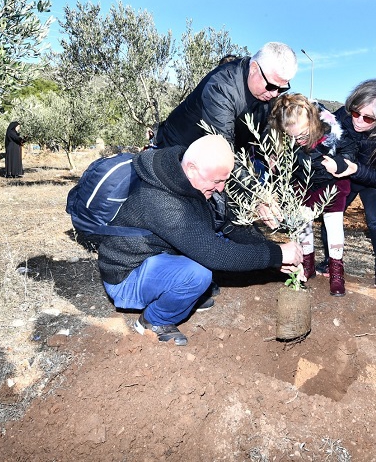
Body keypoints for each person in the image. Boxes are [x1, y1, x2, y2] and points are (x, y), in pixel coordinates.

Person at [98, 134, 303, 346]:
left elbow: (232, 226)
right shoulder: (159, 200)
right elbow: (215, 254)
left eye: (224, 180)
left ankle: (183, 296)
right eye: (217, 181)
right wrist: (276, 254)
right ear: (192, 169)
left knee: (218, 237)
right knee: (197, 274)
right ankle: (154, 321)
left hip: (156, 260)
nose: (221, 188)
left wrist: (275, 253)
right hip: (126, 277)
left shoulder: (198, 183)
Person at [268, 94, 357, 296]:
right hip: (303, 183)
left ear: (313, 120)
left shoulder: (332, 127)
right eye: (292, 137)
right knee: (303, 224)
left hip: (332, 182)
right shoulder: (284, 137)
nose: (298, 141)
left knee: (334, 226)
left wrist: (340, 163)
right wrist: (275, 163)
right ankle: (307, 263)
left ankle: (336, 271)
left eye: (302, 135)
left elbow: (350, 148)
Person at [318, 79, 376, 288]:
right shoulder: (343, 117)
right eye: (355, 113)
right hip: (347, 175)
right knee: (331, 214)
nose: (359, 121)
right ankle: (331, 261)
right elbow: (325, 136)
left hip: (375, 181)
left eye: (368, 118)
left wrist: (356, 169)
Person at [155, 42, 298, 152]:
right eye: (271, 86)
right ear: (254, 68)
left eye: (282, 88)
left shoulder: (267, 89)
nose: (274, 94)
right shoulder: (221, 88)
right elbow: (223, 148)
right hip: (177, 149)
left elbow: (265, 131)